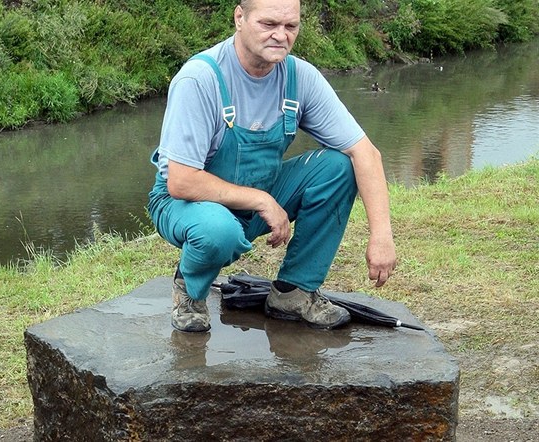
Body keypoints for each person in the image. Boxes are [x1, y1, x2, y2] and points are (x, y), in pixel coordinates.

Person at [148, 0, 397, 333]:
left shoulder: (299, 77)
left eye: (290, 26)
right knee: (217, 231)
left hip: (260, 190)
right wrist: (262, 200)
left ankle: (294, 292)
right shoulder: (199, 79)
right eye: (268, 24)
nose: (281, 35)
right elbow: (181, 180)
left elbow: (366, 153)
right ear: (239, 18)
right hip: (186, 204)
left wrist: (381, 237)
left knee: (340, 165)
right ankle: (190, 293)